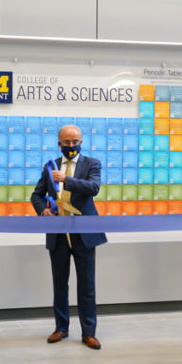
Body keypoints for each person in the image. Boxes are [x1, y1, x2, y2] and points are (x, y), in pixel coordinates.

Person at [30, 124, 108, 349]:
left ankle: (89, 332)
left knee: (87, 285)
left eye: (75, 142)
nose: (71, 146)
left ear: (81, 142)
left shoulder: (92, 163)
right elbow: (36, 195)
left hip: (84, 234)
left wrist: (65, 180)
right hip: (58, 234)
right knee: (59, 283)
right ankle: (61, 328)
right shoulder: (50, 166)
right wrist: (42, 209)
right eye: (67, 142)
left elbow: (93, 188)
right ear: (59, 144)